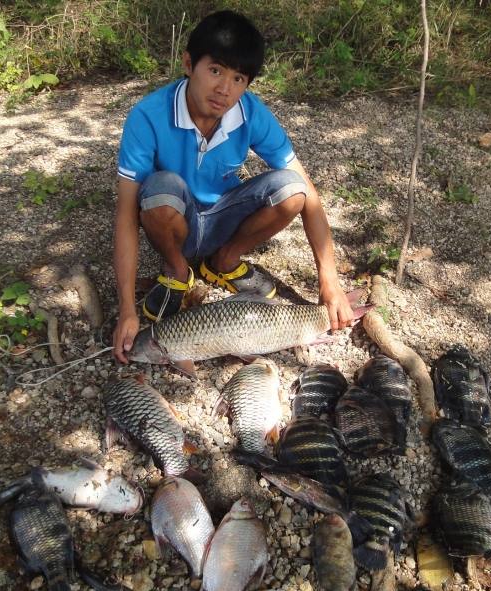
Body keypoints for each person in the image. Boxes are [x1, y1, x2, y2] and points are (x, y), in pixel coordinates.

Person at [111, 10, 354, 364]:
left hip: (224, 216)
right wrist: (126, 310)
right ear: (189, 63)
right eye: (215, 71)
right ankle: (178, 271)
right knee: (161, 189)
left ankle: (224, 261)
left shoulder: (252, 114)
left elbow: (310, 198)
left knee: (294, 189)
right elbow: (125, 215)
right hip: (176, 219)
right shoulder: (147, 116)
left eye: (239, 78)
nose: (225, 89)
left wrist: (329, 282)